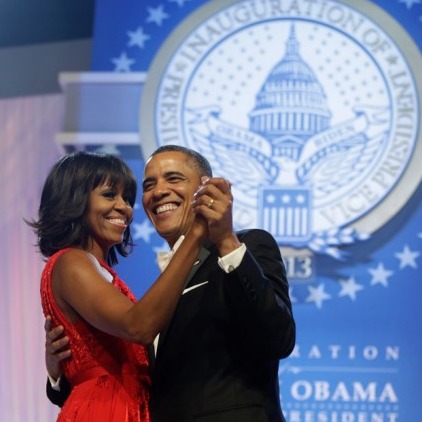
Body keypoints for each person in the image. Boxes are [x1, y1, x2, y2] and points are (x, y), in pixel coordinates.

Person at [45, 145, 296, 422]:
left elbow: (278, 340)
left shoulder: (246, 247)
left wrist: (225, 240)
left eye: (174, 179)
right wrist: (61, 371)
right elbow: (129, 372)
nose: (158, 191)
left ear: (205, 188)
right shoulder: (155, 293)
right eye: (149, 185)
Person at [28, 151, 208, 421]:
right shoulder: (70, 262)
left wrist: (59, 372)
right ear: (74, 199)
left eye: (126, 198)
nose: (124, 207)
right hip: (106, 409)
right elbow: (138, 326)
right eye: (110, 195)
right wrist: (196, 234)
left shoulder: (98, 271)